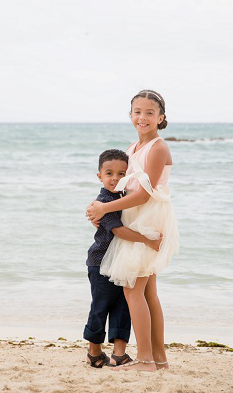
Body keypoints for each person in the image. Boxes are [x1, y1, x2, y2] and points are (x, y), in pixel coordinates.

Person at [86, 89, 179, 370]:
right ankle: (159, 359)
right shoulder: (131, 148)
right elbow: (120, 191)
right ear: (130, 115)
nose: (143, 117)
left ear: (161, 117)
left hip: (147, 219)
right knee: (148, 292)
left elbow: (144, 195)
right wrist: (100, 211)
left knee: (133, 292)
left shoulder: (158, 147)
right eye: (137, 112)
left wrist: (105, 210)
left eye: (150, 112)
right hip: (132, 218)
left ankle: (146, 360)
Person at [84, 149, 161, 368]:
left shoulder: (122, 198)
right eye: (109, 173)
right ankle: (94, 351)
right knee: (100, 307)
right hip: (100, 262)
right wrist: (146, 240)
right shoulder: (104, 201)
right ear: (99, 176)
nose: (115, 178)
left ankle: (119, 353)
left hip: (120, 262)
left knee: (122, 307)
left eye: (121, 174)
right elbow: (118, 231)